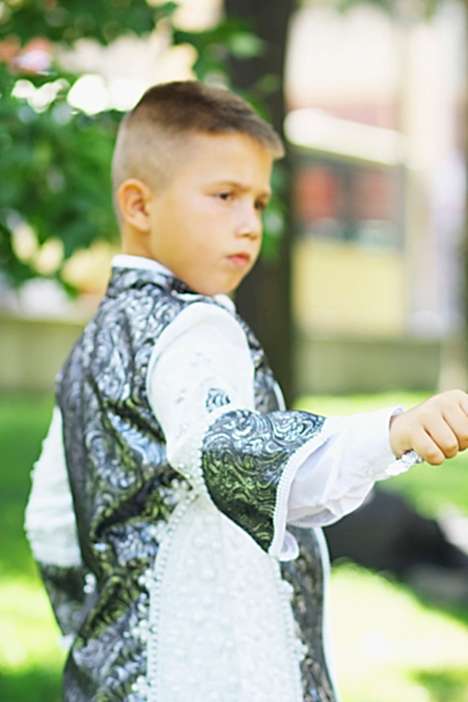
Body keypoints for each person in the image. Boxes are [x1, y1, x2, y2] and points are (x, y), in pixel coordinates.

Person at [24, 80, 468, 702]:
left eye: (258, 202)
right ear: (140, 206)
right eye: (225, 196)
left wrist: (98, 631)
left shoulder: (96, 339)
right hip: (212, 673)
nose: (249, 224)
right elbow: (229, 451)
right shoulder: (194, 327)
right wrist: (391, 433)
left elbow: (50, 519)